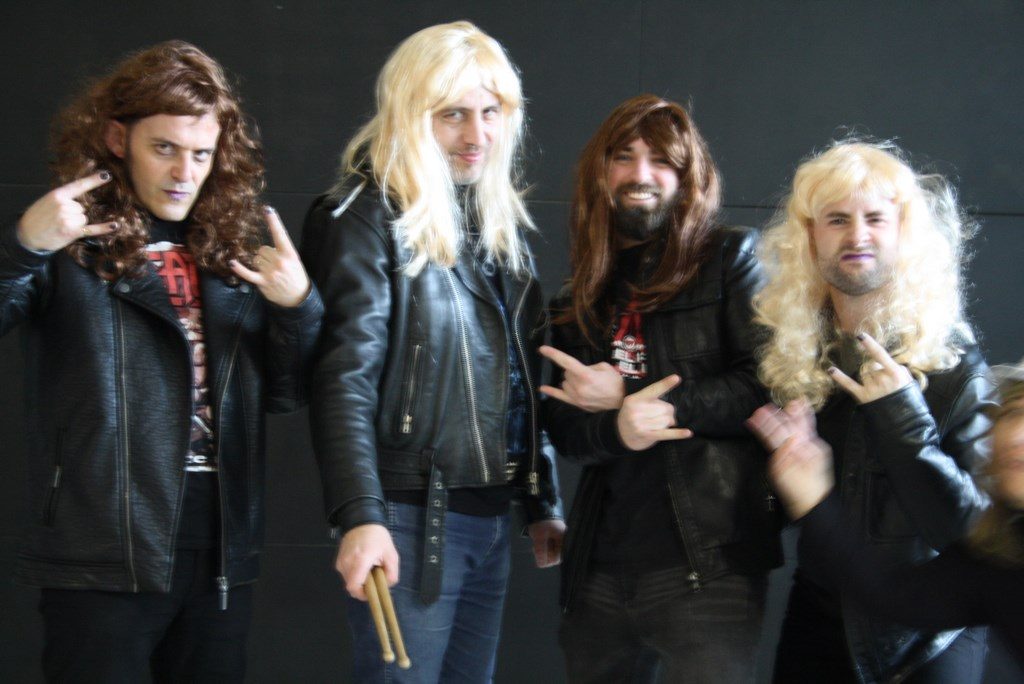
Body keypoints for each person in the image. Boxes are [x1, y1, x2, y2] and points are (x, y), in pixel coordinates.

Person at [0, 41, 322, 682]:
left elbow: (286, 393)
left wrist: (299, 308)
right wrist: (24, 248)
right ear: (117, 139)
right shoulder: (69, 241)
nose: (183, 172)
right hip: (102, 548)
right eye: (164, 148)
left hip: (219, 551)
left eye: (201, 154)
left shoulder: (230, 253)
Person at [300, 21, 564, 683]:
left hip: (487, 517)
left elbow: (520, 379)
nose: (476, 135)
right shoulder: (362, 216)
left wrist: (540, 498)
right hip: (409, 517)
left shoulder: (495, 225)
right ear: (410, 115)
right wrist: (360, 516)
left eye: (490, 112)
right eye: (452, 115)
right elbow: (342, 380)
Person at [541, 94, 781, 683]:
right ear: (601, 172)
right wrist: (618, 428)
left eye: (661, 160)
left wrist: (634, 399)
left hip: (710, 563)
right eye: (624, 157)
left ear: (687, 175)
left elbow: (766, 386)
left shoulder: (730, 257)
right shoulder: (579, 295)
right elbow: (566, 430)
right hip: (599, 569)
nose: (641, 174)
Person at [750, 140, 993, 683]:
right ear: (810, 237)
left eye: (875, 218)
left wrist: (901, 417)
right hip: (822, 613)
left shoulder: (953, 363)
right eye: (837, 219)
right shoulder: (796, 356)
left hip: (928, 635)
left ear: (903, 233)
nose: (857, 236)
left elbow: (974, 535)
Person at [749, 357, 1024, 672]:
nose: (1017, 435)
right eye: (1013, 413)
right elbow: (898, 596)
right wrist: (815, 501)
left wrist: (903, 421)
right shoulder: (1003, 554)